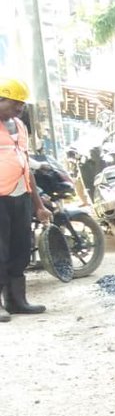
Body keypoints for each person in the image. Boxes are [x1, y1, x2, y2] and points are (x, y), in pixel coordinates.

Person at [0, 78, 51, 320]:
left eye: (21, 104)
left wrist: (38, 204)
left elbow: (26, 165)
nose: (19, 108)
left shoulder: (19, 126)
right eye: (14, 103)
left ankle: (16, 301)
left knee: (20, 249)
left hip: (20, 195)